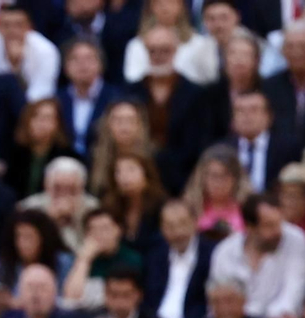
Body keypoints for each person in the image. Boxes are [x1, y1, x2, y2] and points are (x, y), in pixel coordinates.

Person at [207, 192, 305, 318]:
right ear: (250, 228)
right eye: (269, 226)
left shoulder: (296, 239)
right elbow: (220, 299)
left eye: (279, 222)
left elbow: (293, 293)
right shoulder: (225, 251)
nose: (278, 231)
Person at [127, 24, 207, 195]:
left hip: (182, 178)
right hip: (139, 177)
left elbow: (197, 143)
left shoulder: (195, 94)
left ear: (176, 50)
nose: (158, 56)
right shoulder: (131, 92)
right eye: (153, 51)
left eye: (165, 50)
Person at [144, 198, 214, 318]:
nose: (177, 232)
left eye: (183, 223)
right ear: (162, 229)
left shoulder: (211, 255)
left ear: (195, 222)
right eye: (170, 226)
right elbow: (148, 301)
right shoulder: (155, 256)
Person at [120, 0, 218, 87]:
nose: (165, 7)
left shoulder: (199, 44)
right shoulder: (137, 45)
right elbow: (132, 79)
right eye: (159, 3)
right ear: (151, 7)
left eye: (170, 2)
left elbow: (210, 80)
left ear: (181, 6)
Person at [222, 90, 301, 197]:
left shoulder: (288, 148)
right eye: (240, 111)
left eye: (253, 110)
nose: (246, 116)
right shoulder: (223, 149)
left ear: (269, 117)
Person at [61, 206, 141, 309]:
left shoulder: (131, 259)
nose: (100, 234)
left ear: (118, 230)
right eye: (93, 230)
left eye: (105, 228)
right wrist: (84, 260)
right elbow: (71, 299)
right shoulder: (80, 259)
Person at [19, 157, 100, 254]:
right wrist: (49, 220)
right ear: (47, 186)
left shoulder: (94, 209)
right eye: (58, 189)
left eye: (71, 190)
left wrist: (74, 218)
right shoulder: (29, 208)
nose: (64, 196)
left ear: (82, 188)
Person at [0, 5, 60, 100]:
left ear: (29, 27)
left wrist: (17, 66)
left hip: (31, 109)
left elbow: (42, 92)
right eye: (6, 25)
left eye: (18, 25)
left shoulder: (46, 51)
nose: (12, 30)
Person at [5, 98, 77, 201]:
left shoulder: (68, 157)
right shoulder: (15, 154)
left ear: (58, 124)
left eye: (47, 118)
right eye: (36, 117)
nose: (41, 123)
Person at [57, 36, 118, 159]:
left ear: (100, 64)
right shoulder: (58, 99)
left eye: (89, 58)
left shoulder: (115, 98)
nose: (82, 65)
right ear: (65, 67)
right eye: (75, 59)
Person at [101, 150, 166, 252]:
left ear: (146, 175)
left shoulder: (161, 206)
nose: (124, 176)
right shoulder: (110, 208)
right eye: (118, 172)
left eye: (131, 169)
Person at [0, 207, 70, 290]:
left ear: (43, 239)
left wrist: (16, 302)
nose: (22, 243)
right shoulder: (4, 264)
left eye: (28, 237)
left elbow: (67, 298)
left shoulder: (61, 262)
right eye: (18, 236)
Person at [182, 146, 250, 237]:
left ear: (236, 178)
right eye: (213, 176)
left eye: (225, 176)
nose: (218, 183)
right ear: (202, 178)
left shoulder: (247, 206)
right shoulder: (189, 208)